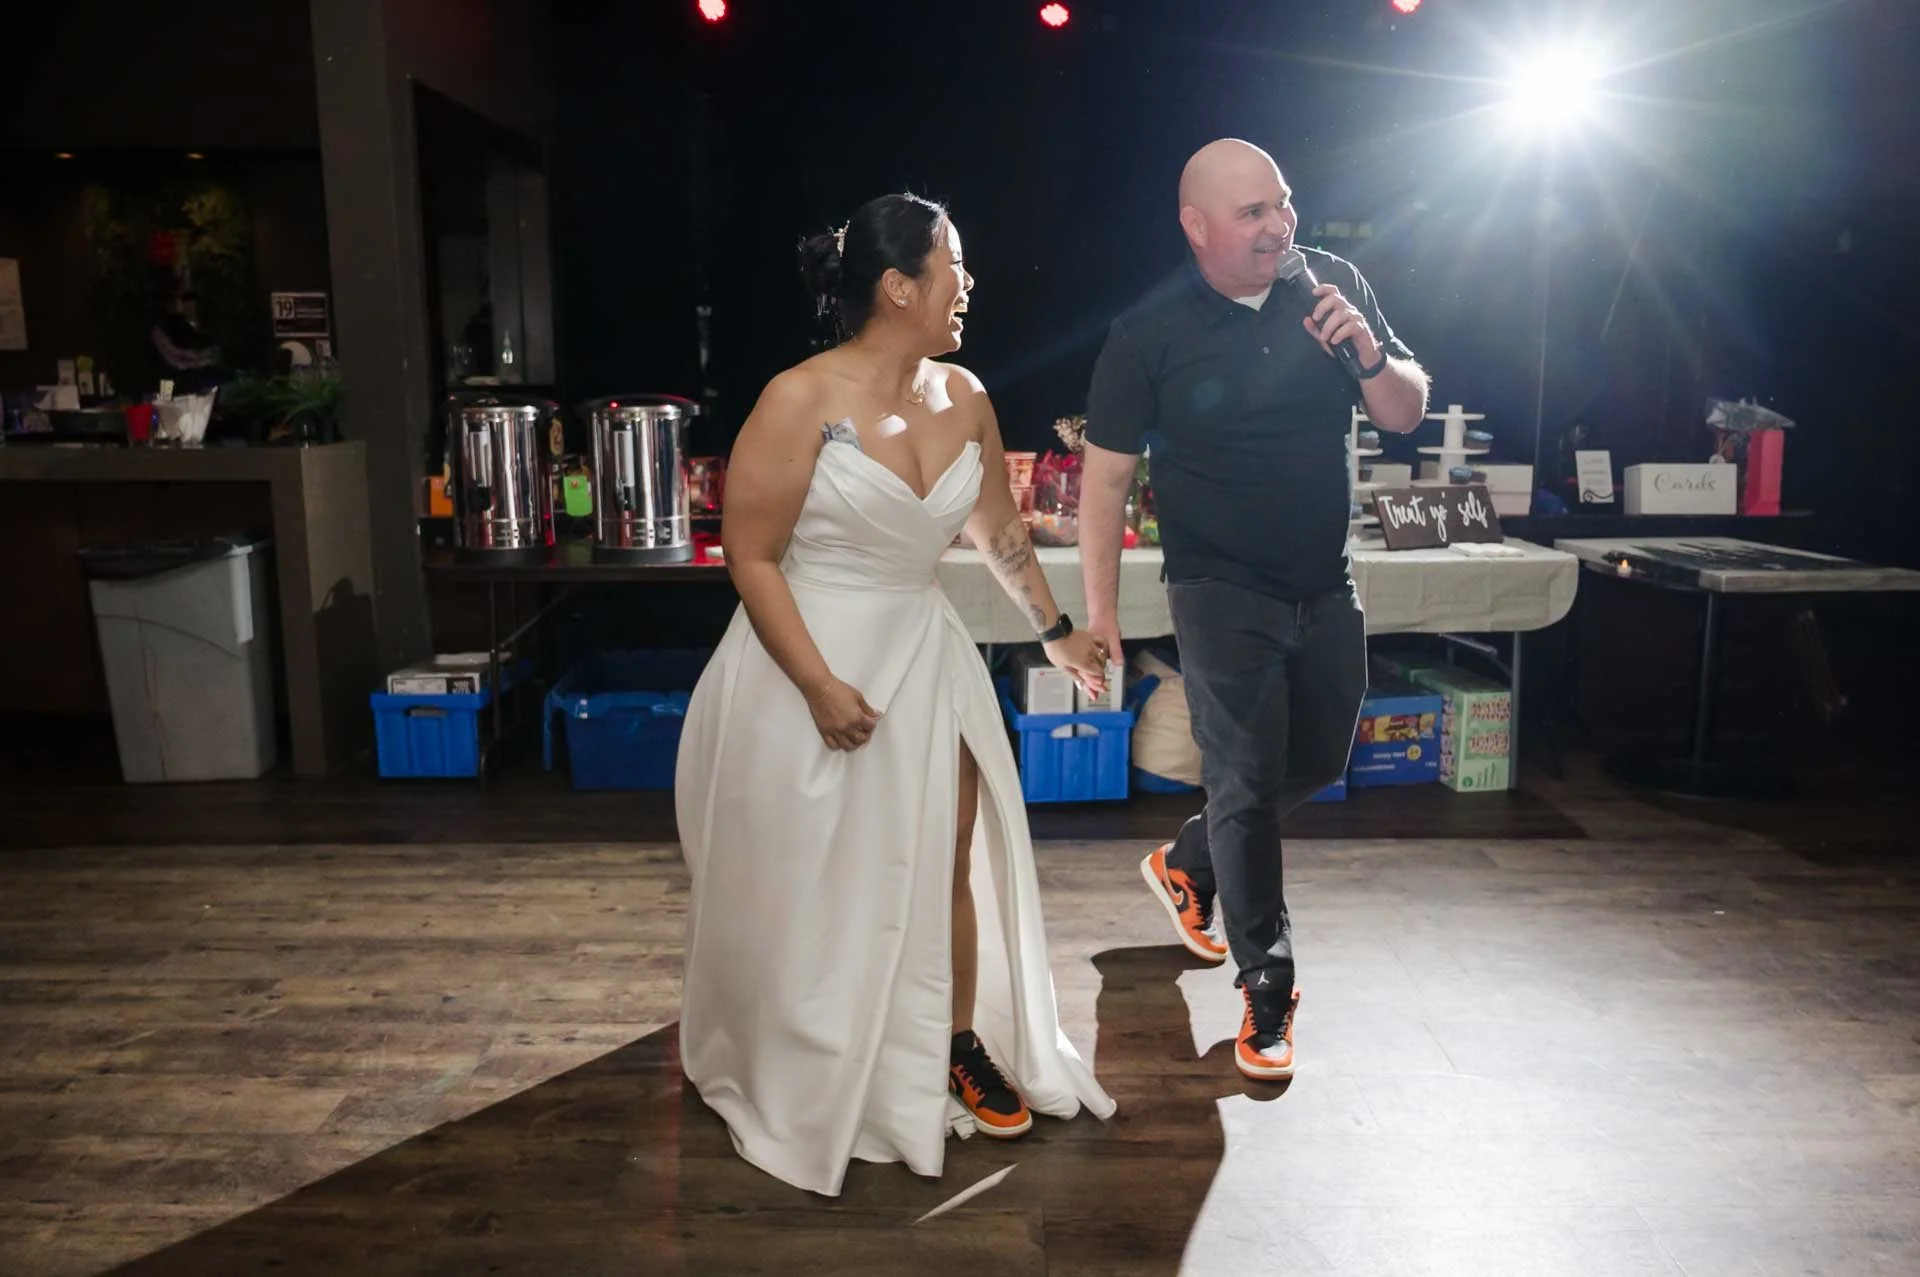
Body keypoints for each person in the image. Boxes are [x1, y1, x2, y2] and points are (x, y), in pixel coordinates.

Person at [675, 193, 1118, 1197]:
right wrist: (821, 683)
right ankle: (803, 1048)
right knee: (808, 873)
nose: (969, 284)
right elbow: (750, 555)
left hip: (922, 654)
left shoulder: (963, 394)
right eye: (954, 264)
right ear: (899, 284)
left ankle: (953, 1039)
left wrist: (1058, 632)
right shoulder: (799, 398)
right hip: (803, 658)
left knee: (944, 862)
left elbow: (996, 532)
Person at [1078, 139, 1430, 1082]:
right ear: (1196, 228)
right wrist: (1101, 610)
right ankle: (1266, 987)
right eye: (1252, 213)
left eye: (1283, 203)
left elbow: (1405, 409)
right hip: (1217, 588)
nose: (1278, 225)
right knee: (1242, 780)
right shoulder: (1149, 330)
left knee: (1313, 761)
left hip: (1324, 580)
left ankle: (1189, 860)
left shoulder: (1332, 283)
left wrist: (1364, 354)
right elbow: (1107, 480)